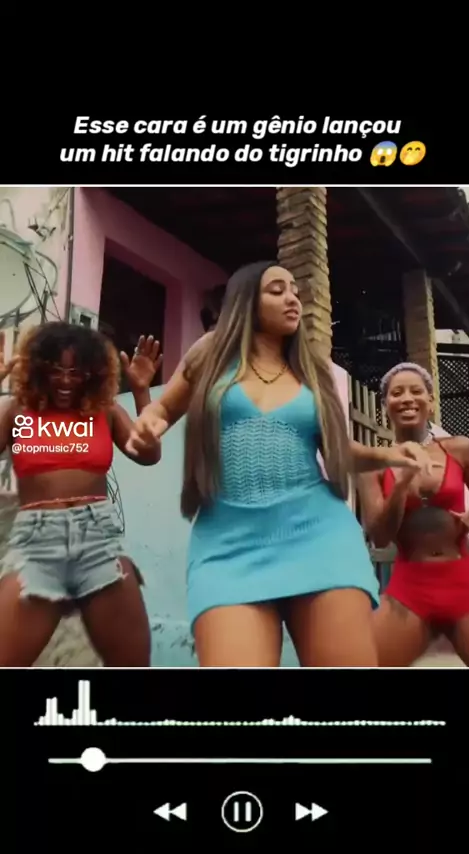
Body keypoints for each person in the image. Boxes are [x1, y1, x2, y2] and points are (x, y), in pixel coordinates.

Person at [126, 262, 433, 668]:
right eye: (277, 290)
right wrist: (149, 423)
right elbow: (164, 410)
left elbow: (337, 450)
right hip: (228, 543)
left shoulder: (311, 370)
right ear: (246, 301)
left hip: (319, 536)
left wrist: (390, 455)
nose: (292, 299)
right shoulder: (211, 353)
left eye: (295, 292)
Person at [0, 323, 162, 667]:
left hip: (98, 540)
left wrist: (141, 392)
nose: (65, 381)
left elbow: (148, 454)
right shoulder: (17, 411)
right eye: (55, 370)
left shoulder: (104, 411)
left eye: (76, 372)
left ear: (92, 373)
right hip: (36, 543)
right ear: (38, 368)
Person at [357, 361, 469, 666]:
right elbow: (380, 537)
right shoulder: (373, 465)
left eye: (416, 391)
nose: (407, 399)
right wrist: (401, 483)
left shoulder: (460, 449)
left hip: (466, 581)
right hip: (410, 588)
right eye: (397, 393)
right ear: (385, 404)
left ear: (431, 400)